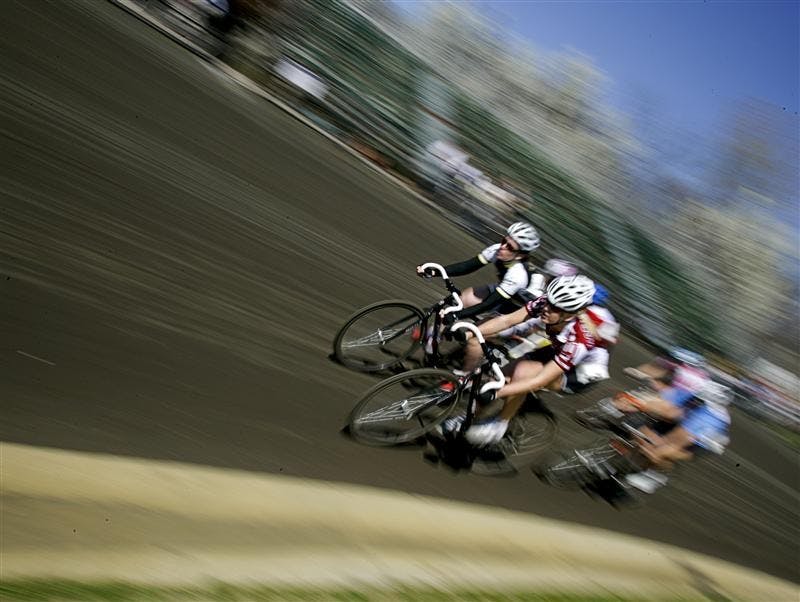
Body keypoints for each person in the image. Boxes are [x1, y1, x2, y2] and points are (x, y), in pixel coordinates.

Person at [451, 275, 602, 445]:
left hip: (579, 374)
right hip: (558, 350)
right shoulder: (548, 304)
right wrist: (469, 332)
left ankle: (499, 425)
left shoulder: (579, 340)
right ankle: (467, 419)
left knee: (522, 374)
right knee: (496, 380)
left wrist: (496, 393)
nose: (546, 308)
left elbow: (539, 381)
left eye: (554, 308)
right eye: (548, 302)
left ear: (569, 315)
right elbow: (508, 320)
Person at [416, 222, 540, 320]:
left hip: (523, 309)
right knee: (460, 301)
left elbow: (489, 304)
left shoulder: (518, 275)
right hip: (506, 291)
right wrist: (434, 272)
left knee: (474, 340)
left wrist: (458, 315)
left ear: (520, 256)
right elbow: (467, 266)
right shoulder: (497, 251)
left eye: (510, 247)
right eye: (504, 241)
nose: (503, 247)